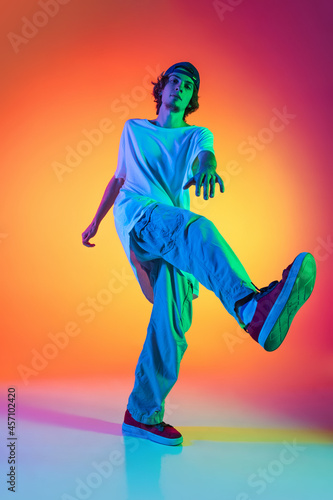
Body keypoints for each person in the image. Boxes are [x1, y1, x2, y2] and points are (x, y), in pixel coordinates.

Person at [82, 62, 316, 446]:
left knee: (172, 324)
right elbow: (119, 177)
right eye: (174, 81)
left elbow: (205, 156)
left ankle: (141, 413)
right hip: (141, 218)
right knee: (197, 227)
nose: (179, 88)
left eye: (188, 86)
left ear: (192, 98)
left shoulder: (196, 136)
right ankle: (249, 309)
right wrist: (95, 222)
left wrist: (208, 167)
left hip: (171, 240)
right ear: (162, 89)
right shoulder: (133, 129)